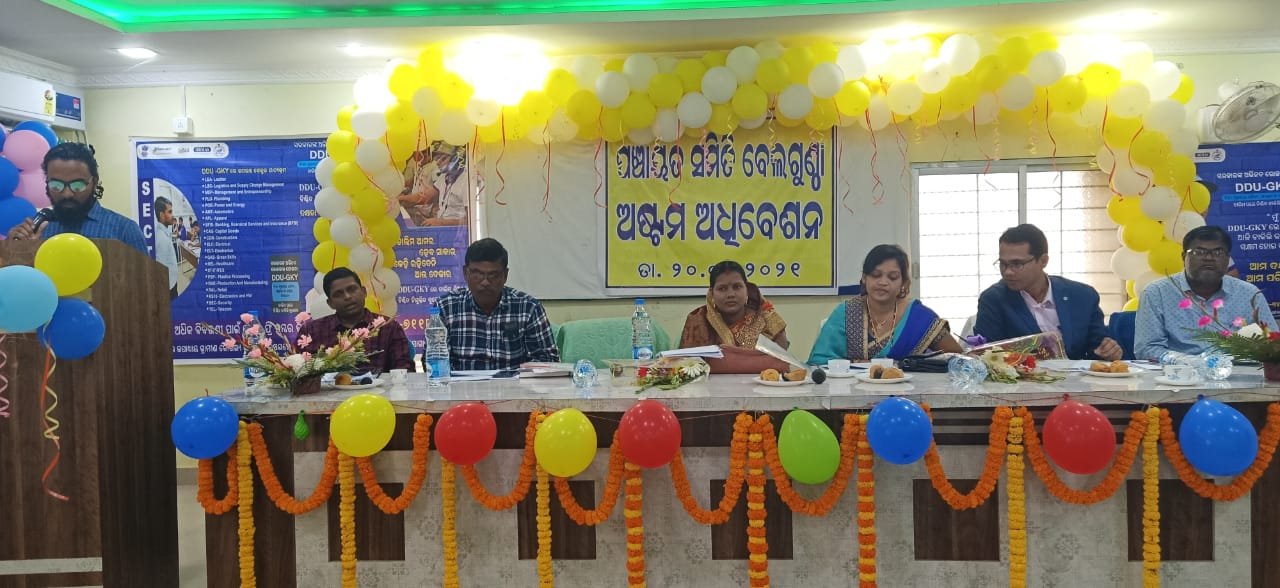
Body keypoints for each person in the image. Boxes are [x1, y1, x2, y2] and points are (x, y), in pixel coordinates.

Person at [974, 224, 1122, 360]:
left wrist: (1108, 352)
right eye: (1003, 264)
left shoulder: (1082, 296)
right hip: (1023, 379)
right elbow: (987, 357)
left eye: (1017, 264)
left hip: (1077, 378)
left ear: (1043, 261)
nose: (1008, 272)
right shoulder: (994, 300)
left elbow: (1097, 349)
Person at [1135, 225, 1277, 361]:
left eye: (1217, 252)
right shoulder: (1157, 293)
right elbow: (1147, 349)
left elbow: (1273, 343)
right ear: (1183, 257)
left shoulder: (1249, 294)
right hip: (1179, 373)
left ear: (1228, 259)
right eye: (1199, 252)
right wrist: (1189, 362)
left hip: (1238, 372)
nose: (1209, 258)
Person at [809, 244, 962, 363]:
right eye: (876, 275)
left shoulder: (919, 318)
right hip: (850, 392)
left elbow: (957, 358)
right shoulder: (847, 312)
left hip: (908, 392)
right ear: (864, 278)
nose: (883, 282)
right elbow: (819, 363)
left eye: (892, 277)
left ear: (903, 283)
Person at [435, 238, 559, 370]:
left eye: (493, 275)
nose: (485, 282)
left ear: (505, 275)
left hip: (515, 382)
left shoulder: (528, 308)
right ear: (466, 273)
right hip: (462, 382)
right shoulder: (446, 307)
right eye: (478, 274)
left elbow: (548, 361)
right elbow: (435, 360)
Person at [6, 142, 147, 253]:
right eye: (56, 185)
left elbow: (144, 280)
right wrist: (17, 251)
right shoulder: (37, 229)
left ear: (94, 182)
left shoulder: (123, 230)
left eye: (77, 186)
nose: (67, 193)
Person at [295, 267, 414, 374]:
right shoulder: (311, 331)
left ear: (364, 292)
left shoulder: (388, 327)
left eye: (352, 289)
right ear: (330, 303)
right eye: (338, 294)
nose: (347, 297)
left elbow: (405, 371)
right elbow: (297, 372)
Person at [678, 260, 791, 373]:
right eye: (722, 289)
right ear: (712, 293)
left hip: (759, 383)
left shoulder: (763, 320)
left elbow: (782, 361)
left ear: (747, 289)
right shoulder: (698, 320)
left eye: (737, 287)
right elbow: (684, 367)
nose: (731, 294)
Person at [398, 142, 468, 227]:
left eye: (443, 159)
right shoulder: (443, 177)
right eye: (437, 159)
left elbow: (470, 221)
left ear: (456, 160)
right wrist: (400, 199)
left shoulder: (466, 181)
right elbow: (425, 197)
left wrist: (441, 223)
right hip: (441, 228)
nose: (438, 163)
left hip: (456, 232)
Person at [153, 196, 180, 299]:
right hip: (168, 289)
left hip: (171, 283)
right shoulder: (162, 238)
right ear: (161, 215)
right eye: (170, 212)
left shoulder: (164, 233)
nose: (173, 215)